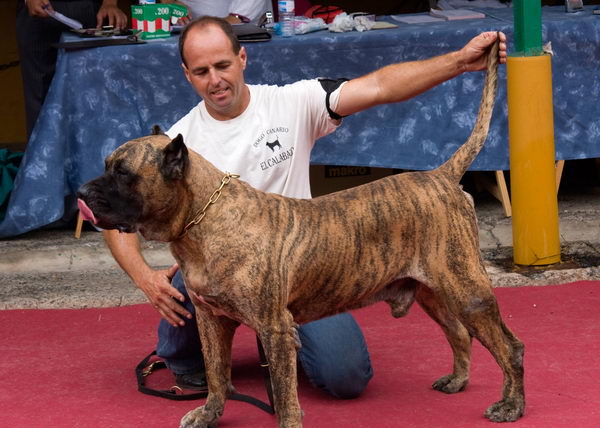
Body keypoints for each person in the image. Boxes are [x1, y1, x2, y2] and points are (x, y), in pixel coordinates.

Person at [103, 16, 506, 398]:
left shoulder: (292, 103)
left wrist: (458, 62)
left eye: (223, 65)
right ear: (187, 75)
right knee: (183, 297)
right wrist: (143, 276)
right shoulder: (175, 144)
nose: (216, 80)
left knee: (346, 376)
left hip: (298, 268)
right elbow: (113, 208)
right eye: (202, 71)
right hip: (214, 272)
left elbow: (381, 86)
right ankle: (184, 354)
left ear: (242, 59)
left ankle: (273, 339)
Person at [16, 0, 128, 139]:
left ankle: (93, 158)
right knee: (40, 96)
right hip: (38, 10)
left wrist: (110, 3)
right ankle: (42, 160)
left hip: (92, 12)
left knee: (95, 97)